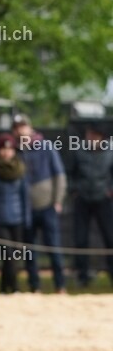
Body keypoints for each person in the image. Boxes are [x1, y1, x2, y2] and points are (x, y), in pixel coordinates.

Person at [13, 114, 67, 294]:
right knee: (30, 251)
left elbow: (59, 175)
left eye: (23, 126)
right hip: (26, 209)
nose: (21, 130)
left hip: (47, 207)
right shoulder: (13, 150)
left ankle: (60, 285)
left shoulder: (46, 147)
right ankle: (34, 286)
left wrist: (57, 201)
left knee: (54, 247)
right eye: (17, 127)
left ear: (30, 127)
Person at [0, 133, 31, 294]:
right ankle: (15, 288)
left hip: (17, 219)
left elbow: (25, 196)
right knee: (7, 254)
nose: (6, 153)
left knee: (14, 256)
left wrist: (26, 217)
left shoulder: (20, 169)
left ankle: (3, 289)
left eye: (9, 149)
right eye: (3, 149)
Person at [67, 123, 113, 288]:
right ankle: (82, 275)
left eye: (94, 135)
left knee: (110, 238)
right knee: (81, 239)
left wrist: (110, 190)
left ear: (101, 137)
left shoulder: (110, 152)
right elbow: (70, 173)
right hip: (83, 200)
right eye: (88, 135)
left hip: (103, 199)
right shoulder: (79, 152)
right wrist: (74, 191)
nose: (90, 138)